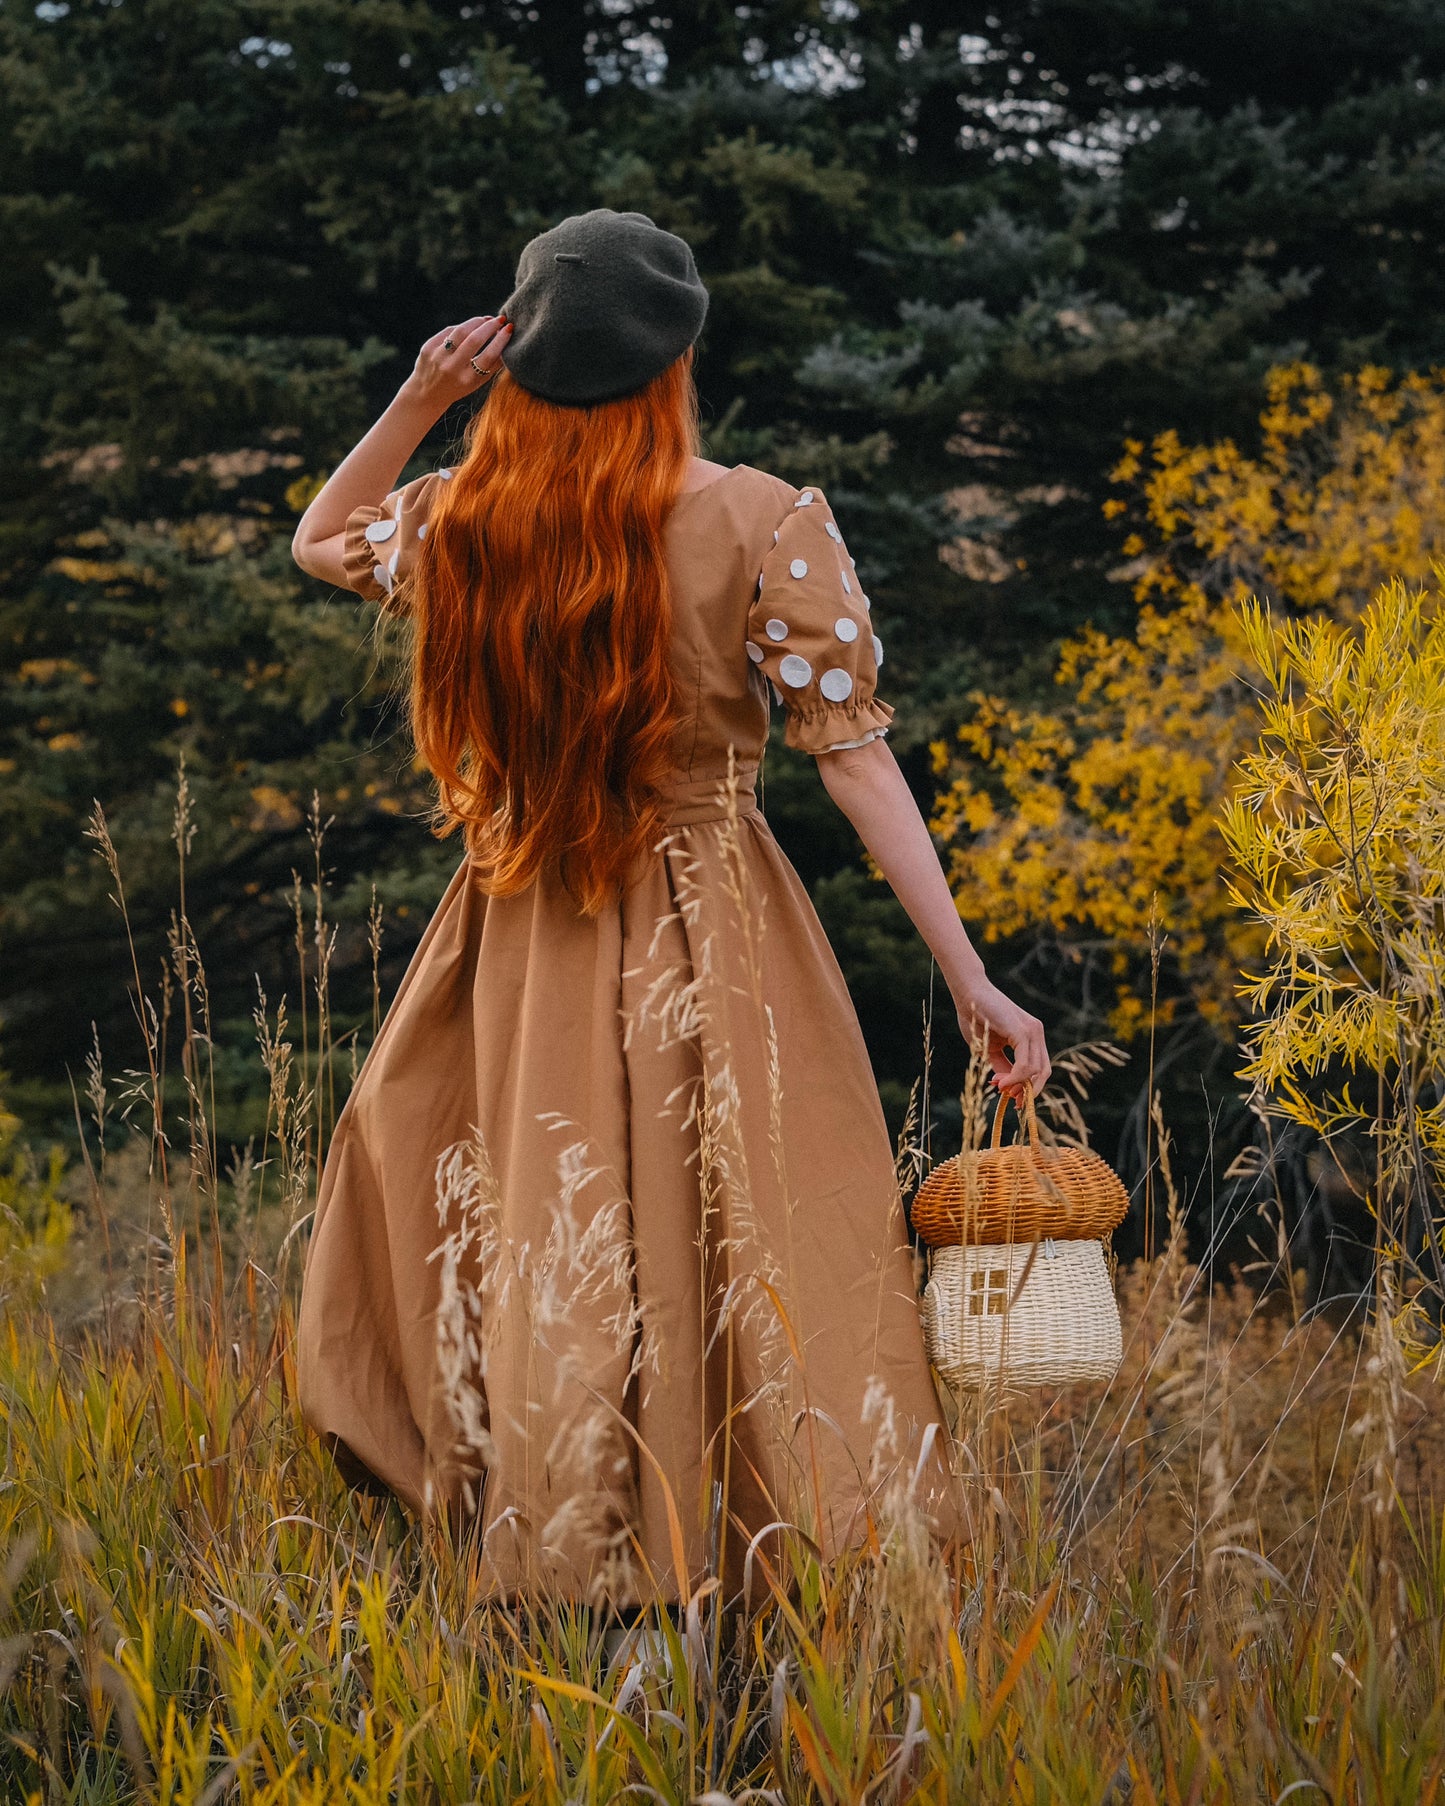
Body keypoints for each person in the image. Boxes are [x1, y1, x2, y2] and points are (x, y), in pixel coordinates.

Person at [290, 209, 1050, 1607]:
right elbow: (856, 758)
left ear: (515, 354)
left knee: (534, 1224)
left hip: (515, 924)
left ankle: (583, 1582)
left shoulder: (462, 516)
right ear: (674, 357)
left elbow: (319, 537)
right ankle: (750, 1586)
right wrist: (969, 978)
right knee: (752, 1237)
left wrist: (420, 398)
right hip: (717, 923)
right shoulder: (763, 517)